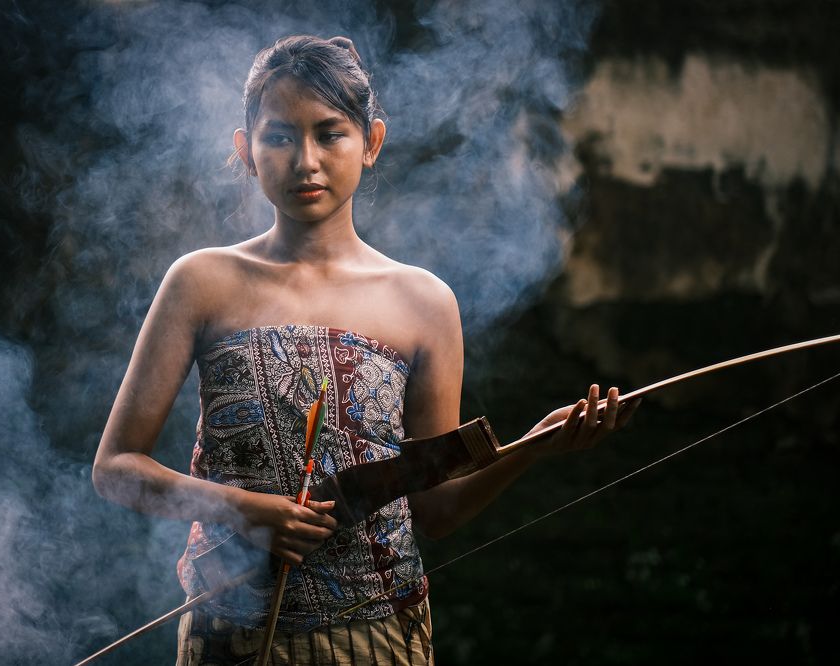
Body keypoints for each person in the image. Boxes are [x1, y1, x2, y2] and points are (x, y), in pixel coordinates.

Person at [92, 35, 638, 666]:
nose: (306, 162)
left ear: (371, 142)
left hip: (375, 639)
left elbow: (435, 509)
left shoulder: (423, 302)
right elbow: (116, 468)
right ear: (245, 151)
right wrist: (243, 510)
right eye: (279, 137)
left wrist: (535, 444)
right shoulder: (200, 283)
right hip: (230, 638)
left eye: (330, 134)